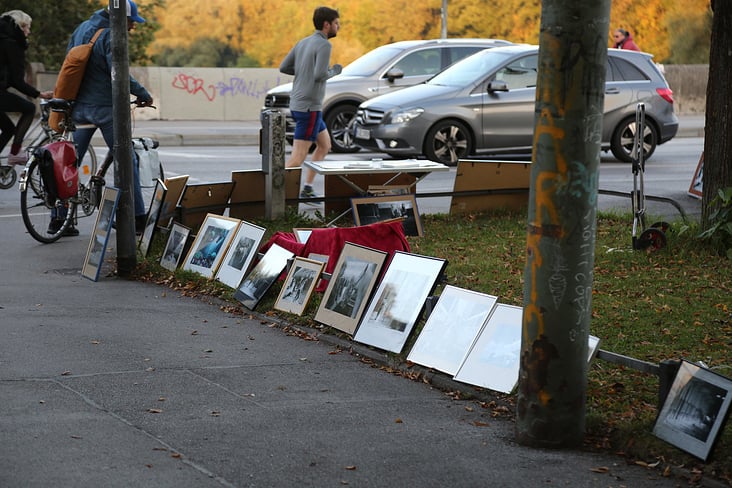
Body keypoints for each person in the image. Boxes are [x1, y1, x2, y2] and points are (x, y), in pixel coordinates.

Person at [57, 0, 154, 236]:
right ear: (120, 19)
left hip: (79, 108)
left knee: (69, 163)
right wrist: (143, 94)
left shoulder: (82, 28)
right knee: (126, 159)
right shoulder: (112, 35)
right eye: (131, 22)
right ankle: (137, 217)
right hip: (106, 109)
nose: (132, 27)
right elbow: (119, 73)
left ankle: (59, 219)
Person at [279, 6, 342, 201]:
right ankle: (273, 193)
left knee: (325, 145)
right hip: (309, 109)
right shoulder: (324, 45)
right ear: (326, 25)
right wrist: (335, 71)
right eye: (336, 24)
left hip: (301, 104)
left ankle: (307, 187)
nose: (338, 27)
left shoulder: (303, 42)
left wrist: (303, 72)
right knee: (298, 157)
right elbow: (320, 74)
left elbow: (284, 67)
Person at [0, 10, 53, 166]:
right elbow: (17, 80)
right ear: (20, 27)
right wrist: (39, 94)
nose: (29, 32)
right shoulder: (12, 44)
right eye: (28, 27)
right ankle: (15, 153)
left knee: (9, 129)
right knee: (29, 108)